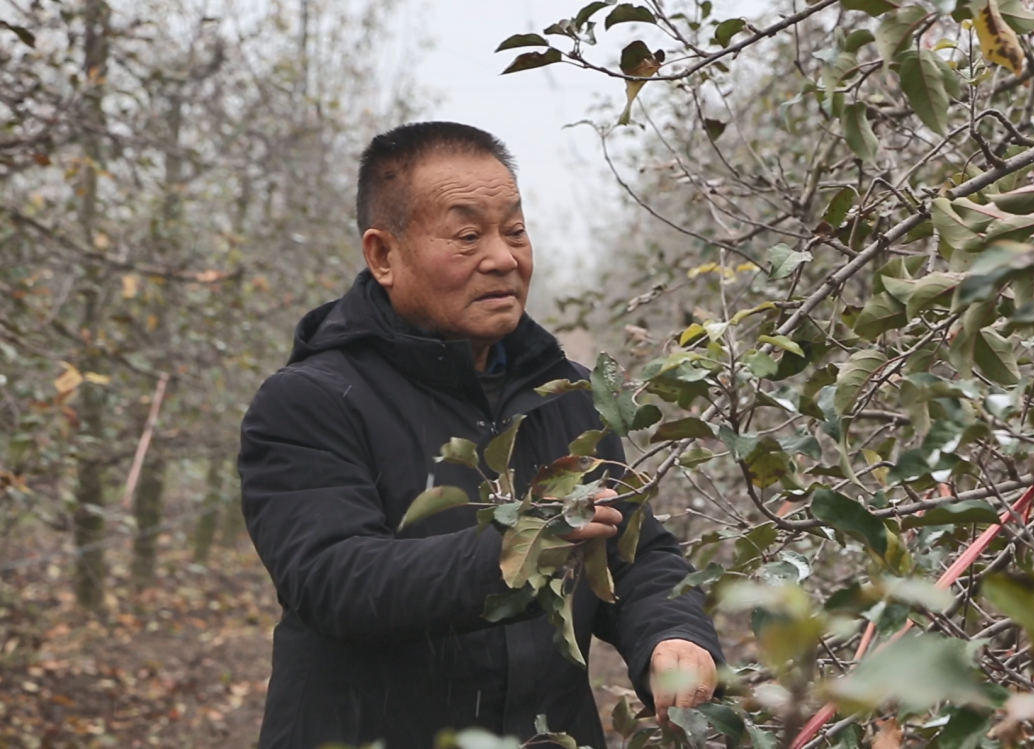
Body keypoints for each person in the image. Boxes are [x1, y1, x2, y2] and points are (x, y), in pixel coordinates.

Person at [238, 121, 722, 749]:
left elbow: (632, 551)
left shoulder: (568, 396)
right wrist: (517, 545)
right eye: (467, 236)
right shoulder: (309, 401)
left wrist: (672, 632)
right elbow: (335, 578)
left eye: (514, 230)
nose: (502, 258)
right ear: (384, 255)